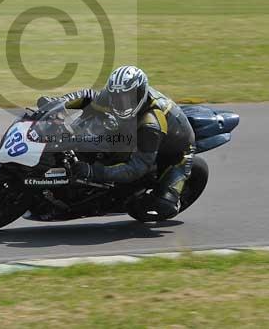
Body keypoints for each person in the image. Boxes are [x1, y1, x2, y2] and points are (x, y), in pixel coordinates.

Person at [37, 65, 196, 220]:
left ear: (140, 94)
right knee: (94, 131)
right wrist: (57, 104)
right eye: (117, 97)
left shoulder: (151, 123)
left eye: (127, 99)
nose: (121, 102)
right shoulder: (115, 94)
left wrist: (93, 172)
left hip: (176, 151)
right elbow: (87, 96)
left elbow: (136, 168)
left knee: (163, 204)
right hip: (134, 129)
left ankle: (166, 199)